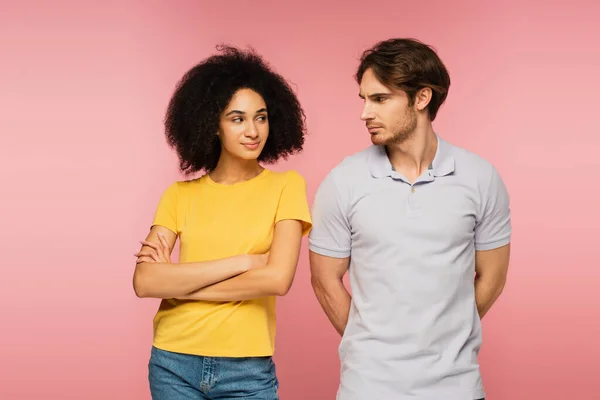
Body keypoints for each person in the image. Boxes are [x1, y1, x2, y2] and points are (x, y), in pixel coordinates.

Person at [308, 38, 511, 400]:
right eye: (364, 99)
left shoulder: (480, 177)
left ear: (422, 98)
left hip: (458, 387)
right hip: (367, 387)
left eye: (380, 99)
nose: (364, 113)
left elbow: (493, 276)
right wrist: (370, 343)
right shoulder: (342, 181)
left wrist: (447, 332)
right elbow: (325, 280)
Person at [133, 45, 312, 400]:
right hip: (172, 362)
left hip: (246, 368)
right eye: (237, 118)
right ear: (211, 126)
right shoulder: (179, 195)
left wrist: (180, 285)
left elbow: (277, 279)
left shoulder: (286, 186)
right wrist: (243, 262)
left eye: (261, 117)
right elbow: (144, 281)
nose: (253, 130)